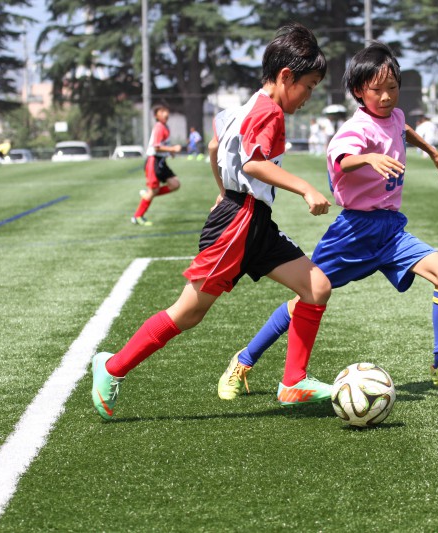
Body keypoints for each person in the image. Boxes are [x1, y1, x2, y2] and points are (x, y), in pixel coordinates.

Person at [217, 41, 438, 402]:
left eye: (392, 88)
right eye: (378, 90)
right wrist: (368, 158)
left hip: (390, 230)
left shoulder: (396, 116)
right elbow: (341, 158)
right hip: (353, 233)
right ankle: (244, 361)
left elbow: (403, 130)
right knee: (305, 299)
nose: (387, 96)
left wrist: (434, 152)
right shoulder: (354, 129)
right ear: (360, 91)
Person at [92, 23, 334, 420]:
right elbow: (254, 163)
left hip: (251, 220)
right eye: (308, 86)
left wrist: (222, 190)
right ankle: (111, 367)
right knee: (188, 312)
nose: (309, 96)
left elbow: (213, 144)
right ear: (286, 77)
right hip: (238, 225)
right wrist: (305, 188)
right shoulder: (270, 112)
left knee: (317, 287)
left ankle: (293, 382)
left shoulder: (244, 107)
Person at [131, 105, 182, 226]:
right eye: (162, 111)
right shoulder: (159, 127)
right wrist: (172, 148)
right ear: (156, 116)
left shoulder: (166, 127)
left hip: (161, 162)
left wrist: (170, 152)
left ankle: (148, 194)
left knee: (175, 184)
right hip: (153, 161)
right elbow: (156, 147)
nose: (165, 114)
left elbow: (163, 146)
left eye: (166, 111)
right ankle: (137, 216)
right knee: (152, 191)